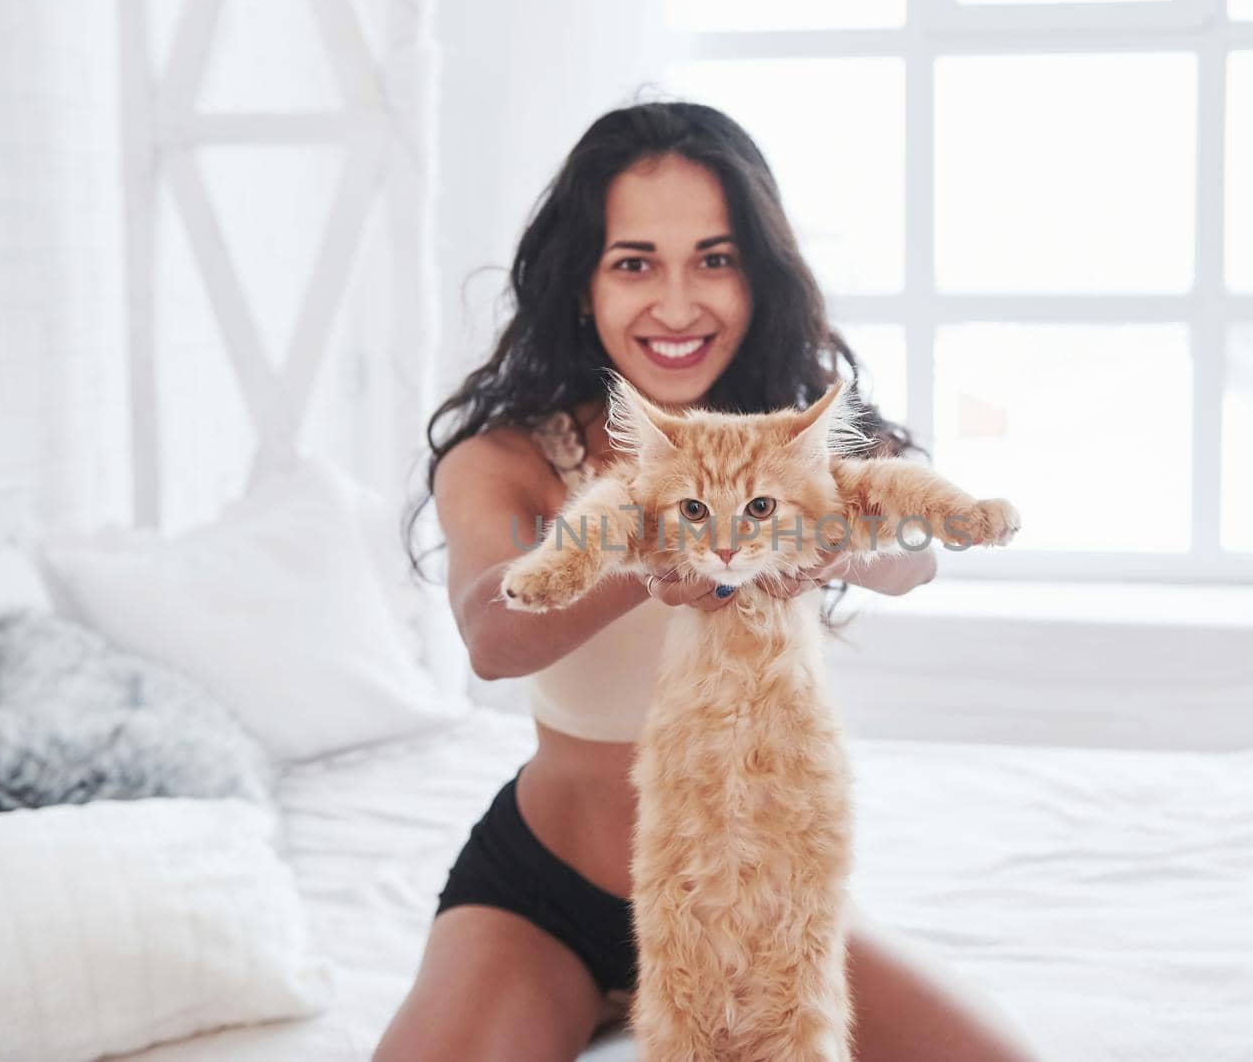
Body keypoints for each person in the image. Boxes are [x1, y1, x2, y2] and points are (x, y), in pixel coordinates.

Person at [374, 101, 1037, 1062]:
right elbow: (491, 634)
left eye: (714, 260)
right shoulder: (507, 458)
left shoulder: (797, 444)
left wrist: (833, 543)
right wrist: (655, 547)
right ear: (581, 285)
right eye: (635, 262)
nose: (678, 306)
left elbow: (913, 551)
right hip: (545, 897)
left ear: (757, 280)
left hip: (752, 898)